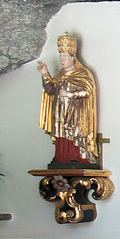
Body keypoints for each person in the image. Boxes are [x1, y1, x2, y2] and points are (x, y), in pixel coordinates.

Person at [37, 31, 101, 166]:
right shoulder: (60, 74)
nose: (62, 59)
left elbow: (87, 92)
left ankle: (76, 157)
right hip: (59, 112)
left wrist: (70, 95)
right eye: (61, 56)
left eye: (65, 56)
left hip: (75, 113)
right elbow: (51, 90)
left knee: (73, 135)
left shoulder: (82, 73)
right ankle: (60, 157)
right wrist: (45, 74)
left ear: (73, 58)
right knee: (61, 135)